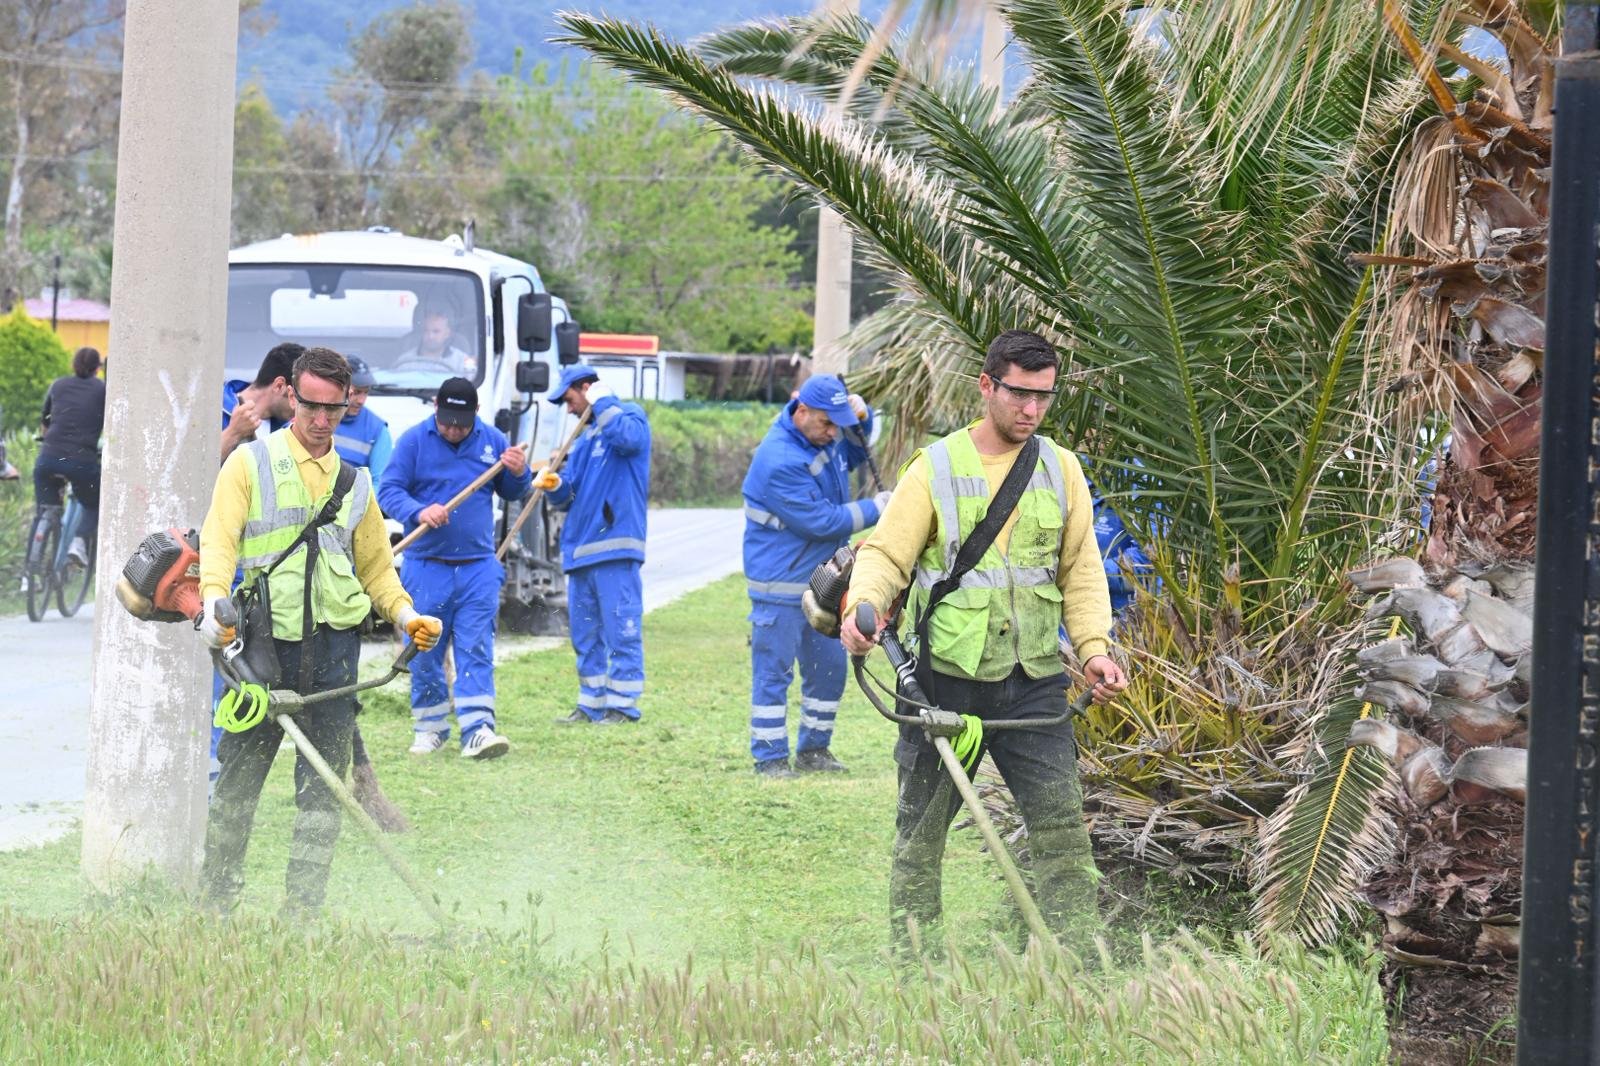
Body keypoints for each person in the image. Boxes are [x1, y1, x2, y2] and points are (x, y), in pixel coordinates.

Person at [840, 329, 1130, 951]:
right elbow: (886, 554)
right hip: (944, 682)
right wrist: (862, 607)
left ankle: (1079, 958)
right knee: (921, 835)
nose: (1031, 410)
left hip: (1034, 684)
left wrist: (1094, 649)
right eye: (1020, 394)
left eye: (1044, 398)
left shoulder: (1062, 468)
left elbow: (1080, 569)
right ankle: (916, 960)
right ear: (986, 386)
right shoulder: (935, 468)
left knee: (1061, 831)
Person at [196, 346, 442, 913]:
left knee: (324, 792)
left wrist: (407, 617)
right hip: (261, 649)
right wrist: (213, 602)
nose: (321, 420)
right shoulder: (249, 464)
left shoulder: (356, 484)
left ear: (346, 407)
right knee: (238, 782)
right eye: (311, 406)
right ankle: (215, 902)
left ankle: (302, 910)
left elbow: (377, 569)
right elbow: (219, 540)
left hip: (333, 652)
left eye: (335, 410)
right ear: (291, 396)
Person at [742, 374, 890, 777]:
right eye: (827, 423)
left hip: (825, 584)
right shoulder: (778, 460)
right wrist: (880, 507)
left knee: (829, 671)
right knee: (774, 674)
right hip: (780, 586)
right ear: (801, 411)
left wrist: (864, 417)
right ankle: (769, 758)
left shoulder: (822, 436)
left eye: (838, 424)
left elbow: (855, 450)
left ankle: (814, 751)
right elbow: (822, 522)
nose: (833, 433)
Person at [379, 376, 530, 759]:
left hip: (479, 566)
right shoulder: (413, 441)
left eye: (461, 424)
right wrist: (418, 510)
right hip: (426, 566)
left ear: (475, 414)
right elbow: (389, 490)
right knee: (424, 649)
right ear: (435, 408)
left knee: (476, 647)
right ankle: (430, 727)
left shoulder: (493, 440)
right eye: (446, 421)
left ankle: (478, 729)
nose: (453, 429)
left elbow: (514, 492)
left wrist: (517, 472)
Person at [543, 365, 652, 725]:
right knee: (585, 635)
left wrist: (601, 399)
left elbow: (629, 440)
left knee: (621, 629)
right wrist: (554, 484)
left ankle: (622, 705)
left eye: (571, 398)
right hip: (581, 553)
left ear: (587, 389)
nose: (569, 408)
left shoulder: (628, 417)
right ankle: (590, 704)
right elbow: (568, 494)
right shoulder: (586, 438)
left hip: (616, 549)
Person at [33, 346, 105, 568]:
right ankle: (79, 542)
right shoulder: (102, 390)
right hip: (82, 461)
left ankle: (30, 571)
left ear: (73, 364)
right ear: (97, 368)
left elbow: (45, 423)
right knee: (94, 503)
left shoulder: (58, 385)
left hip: (48, 458)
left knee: (43, 510)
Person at [221, 342, 299, 461]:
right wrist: (233, 432)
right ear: (279, 386)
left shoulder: (288, 431)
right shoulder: (211, 406)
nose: (300, 408)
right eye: (298, 398)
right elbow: (191, 465)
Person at [333, 356, 393, 483]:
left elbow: (380, 483)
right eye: (356, 392)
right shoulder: (313, 417)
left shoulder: (378, 430)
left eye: (366, 392)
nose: (361, 400)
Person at [395, 309, 474, 377]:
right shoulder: (405, 361)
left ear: (447, 333)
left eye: (436, 331)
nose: (430, 336)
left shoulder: (461, 361)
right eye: (426, 330)